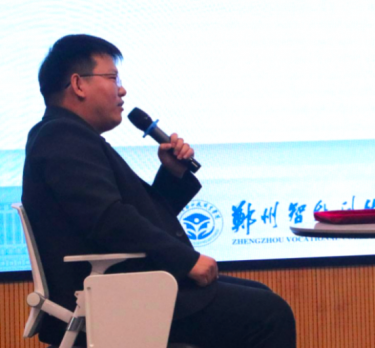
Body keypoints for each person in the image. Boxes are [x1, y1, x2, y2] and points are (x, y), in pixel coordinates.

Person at [22, 34, 296, 348]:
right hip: (117, 302)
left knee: (262, 298)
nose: (122, 90)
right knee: (269, 314)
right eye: (112, 78)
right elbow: (108, 221)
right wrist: (185, 261)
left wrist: (172, 174)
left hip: (127, 292)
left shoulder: (68, 136)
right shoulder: (62, 137)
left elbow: (133, 216)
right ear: (78, 84)